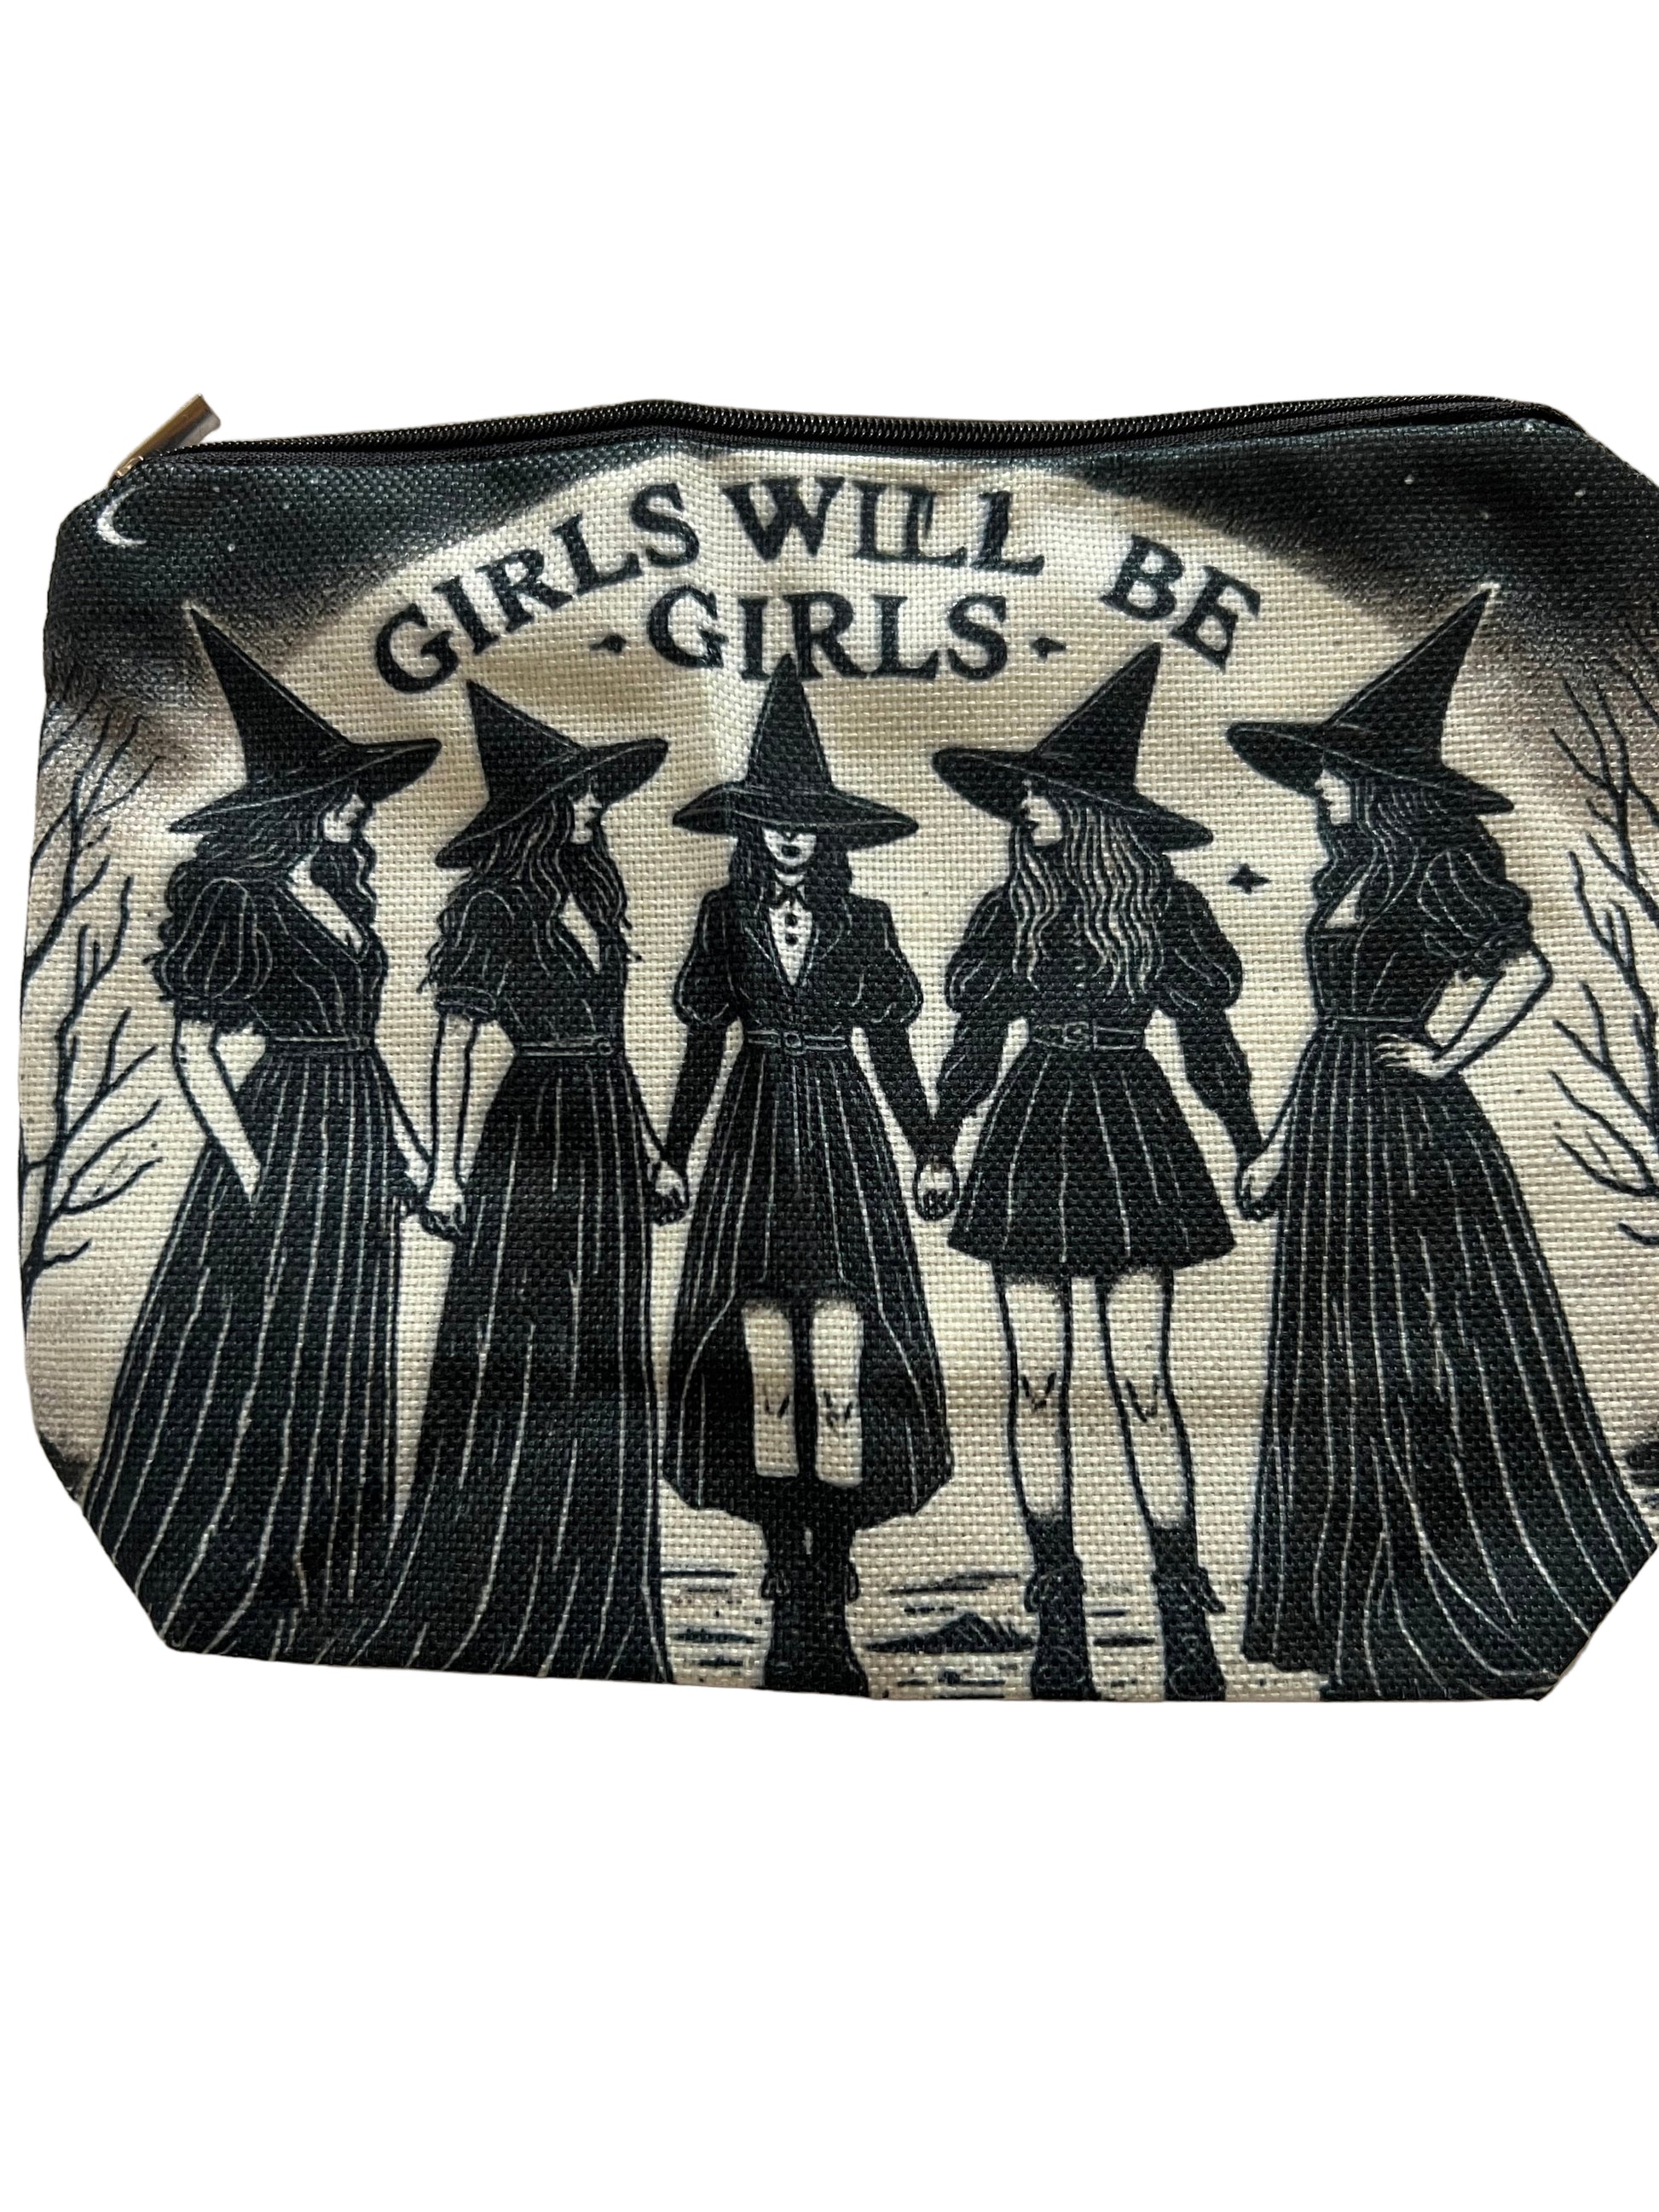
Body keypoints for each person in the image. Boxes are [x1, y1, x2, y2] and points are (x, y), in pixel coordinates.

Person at [1228, 593, 1655, 1697]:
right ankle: (1359, 1605)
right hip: (1333, 1122)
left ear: (1376, 783)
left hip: (1412, 1138)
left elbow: (1523, 968)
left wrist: (1445, 1053)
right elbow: (1324, 1025)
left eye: (1332, 771)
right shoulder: (1343, 878)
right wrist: (1276, 1147)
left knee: (1425, 1346)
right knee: (1338, 1355)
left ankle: (1454, 1597)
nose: (1318, 787)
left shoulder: (1436, 869)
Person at [81, 612, 438, 1660]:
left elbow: (365, 1045)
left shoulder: (342, 893)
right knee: (263, 1344)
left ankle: (333, 1573)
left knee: (347, 1338)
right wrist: (250, 1172)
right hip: (282, 1126)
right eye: (344, 791)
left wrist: (414, 1156)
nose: (359, 806)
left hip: (354, 1126)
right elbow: (195, 1048)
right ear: (303, 804)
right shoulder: (233, 896)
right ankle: (237, 1562)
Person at [925, 646, 1260, 1700]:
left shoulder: (1164, 910)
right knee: (1034, 1382)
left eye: (1042, 790)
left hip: (1130, 1127)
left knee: (1141, 1382)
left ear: (1090, 811)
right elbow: (976, 1037)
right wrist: (939, 1141)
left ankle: (1180, 1610)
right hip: (1029, 1127)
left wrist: (1247, 1140)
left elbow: (1207, 1040)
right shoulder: (1008, 910)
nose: (1024, 804)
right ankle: (1057, 1613)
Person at [349, 684, 672, 1680]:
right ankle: (491, 1580)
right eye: (579, 792)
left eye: (594, 792)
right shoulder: (492, 903)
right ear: (540, 807)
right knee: (521, 1345)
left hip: (606, 1123)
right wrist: (444, 1172)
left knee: (608, 1350)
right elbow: (453, 1041)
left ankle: (593, 1590)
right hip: (530, 1124)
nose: (594, 805)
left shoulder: (599, 894)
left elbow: (616, 1041)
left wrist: (653, 1149)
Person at [656, 657, 951, 1695]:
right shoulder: (718, 915)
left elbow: (891, 1051)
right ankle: (789, 1588)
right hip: (748, 1137)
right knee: (765, 1369)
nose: (787, 834)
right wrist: (670, 1151)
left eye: (804, 821)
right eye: (772, 819)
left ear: (829, 834)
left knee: (839, 1361)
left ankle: (833, 1575)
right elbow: (701, 1046)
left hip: (842, 1139)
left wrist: (928, 1145)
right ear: (751, 828)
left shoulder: (865, 923)